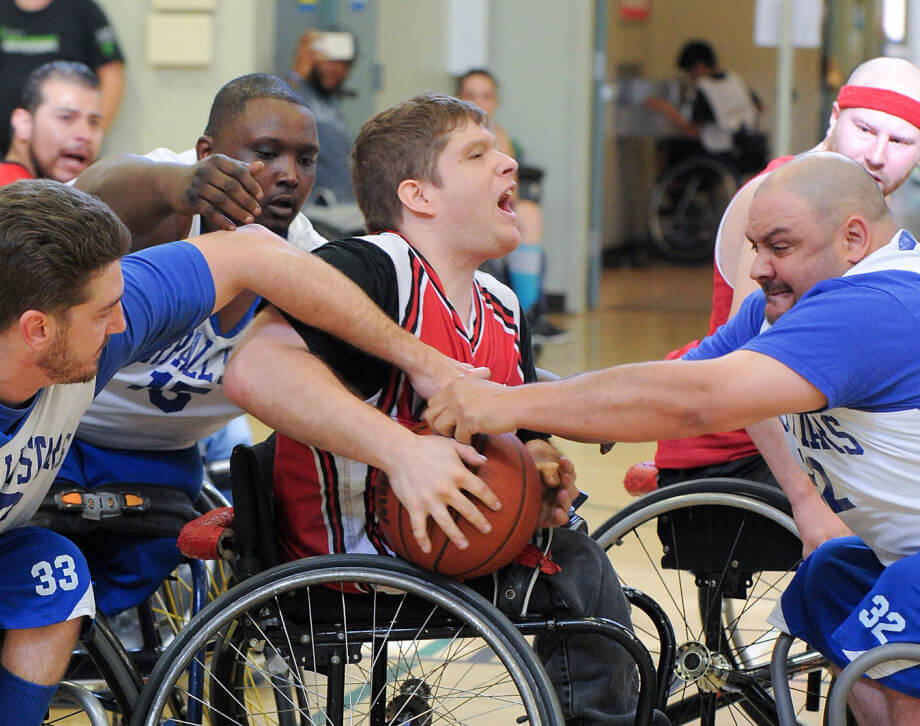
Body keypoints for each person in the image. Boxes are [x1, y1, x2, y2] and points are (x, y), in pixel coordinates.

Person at [0, 174, 476, 726]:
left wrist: (428, 366)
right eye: (104, 314)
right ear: (37, 331)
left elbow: (252, 253)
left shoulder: (80, 328)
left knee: (56, 573)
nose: (124, 322)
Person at [425, 152, 920, 725]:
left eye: (779, 248)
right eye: (754, 246)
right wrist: (568, 406)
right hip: (898, 551)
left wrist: (504, 404)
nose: (757, 268)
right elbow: (680, 376)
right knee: (828, 578)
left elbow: (693, 402)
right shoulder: (787, 306)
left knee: (897, 617)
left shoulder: (879, 304)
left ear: (853, 238)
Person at [225, 93, 639, 725]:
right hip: (353, 556)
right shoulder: (371, 265)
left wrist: (537, 471)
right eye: (478, 154)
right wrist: (403, 452)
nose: (508, 165)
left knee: (577, 552)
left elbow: (515, 441)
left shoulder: (501, 303)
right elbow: (253, 369)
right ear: (419, 195)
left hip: (450, 543)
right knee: (580, 573)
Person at [57, 73, 327, 615]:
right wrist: (176, 184)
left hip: (164, 458)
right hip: (59, 435)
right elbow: (85, 199)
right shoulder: (159, 190)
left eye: (306, 160)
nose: (288, 175)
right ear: (208, 150)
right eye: (268, 153)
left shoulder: (307, 260)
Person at [644, 57, 920, 555]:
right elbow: (745, 377)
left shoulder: (860, 209)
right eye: (864, 129)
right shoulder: (778, 203)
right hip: (740, 446)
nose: (877, 156)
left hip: (820, 431)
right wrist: (807, 500)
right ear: (835, 117)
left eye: (900, 142)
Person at [0, 59, 104, 258]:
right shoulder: (5, 197)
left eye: (94, 122)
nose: (85, 134)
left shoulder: (11, 186)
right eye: (66, 118)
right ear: (23, 124)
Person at [0, 0, 124, 177]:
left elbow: (112, 73)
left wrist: (92, 136)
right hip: (1, 155)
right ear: (22, 122)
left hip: (68, 161)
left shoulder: (84, 10)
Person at [456, 68, 568, 343]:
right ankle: (524, 316)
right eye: (470, 95)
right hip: (462, 206)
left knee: (529, 213)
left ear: (495, 102)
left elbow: (510, 187)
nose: (478, 103)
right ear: (457, 99)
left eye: (486, 96)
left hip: (492, 204)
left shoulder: (500, 137)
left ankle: (527, 314)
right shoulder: (450, 137)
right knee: (521, 216)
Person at [643, 39, 760, 160]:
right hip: (746, 144)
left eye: (689, 72)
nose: (690, 77)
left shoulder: (705, 87)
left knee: (666, 146)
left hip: (718, 148)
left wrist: (666, 108)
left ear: (698, 66)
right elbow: (759, 107)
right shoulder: (734, 78)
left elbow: (693, 131)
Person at [287, 28, 356, 205]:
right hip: (312, 210)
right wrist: (297, 73)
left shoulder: (332, 105)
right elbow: (275, 116)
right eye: (329, 61)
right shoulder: (296, 95)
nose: (337, 70)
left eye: (344, 64)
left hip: (341, 206)